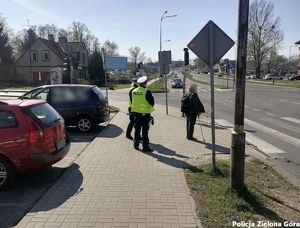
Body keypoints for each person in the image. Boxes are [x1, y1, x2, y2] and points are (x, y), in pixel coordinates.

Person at [131, 75, 155, 152]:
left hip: (136, 114)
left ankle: (136, 145)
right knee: (145, 132)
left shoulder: (134, 91)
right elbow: (152, 103)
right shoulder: (147, 91)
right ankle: (145, 147)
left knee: (137, 130)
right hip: (145, 115)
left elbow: (132, 101)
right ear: (145, 83)